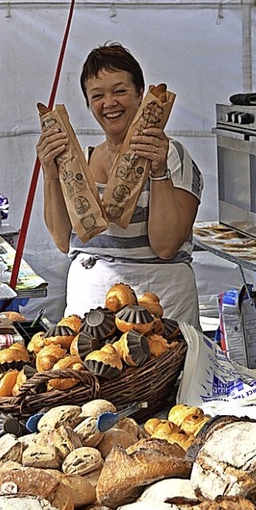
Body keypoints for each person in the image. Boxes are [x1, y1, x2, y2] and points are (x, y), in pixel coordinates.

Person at [36, 42, 203, 327]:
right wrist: (50, 174)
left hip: (160, 308)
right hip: (90, 310)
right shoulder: (81, 161)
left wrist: (159, 171)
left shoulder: (170, 156)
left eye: (120, 91)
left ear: (141, 94)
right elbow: (63, 240)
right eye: (97, 95)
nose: (109, 103)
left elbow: (166, 246)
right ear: (88, 104)